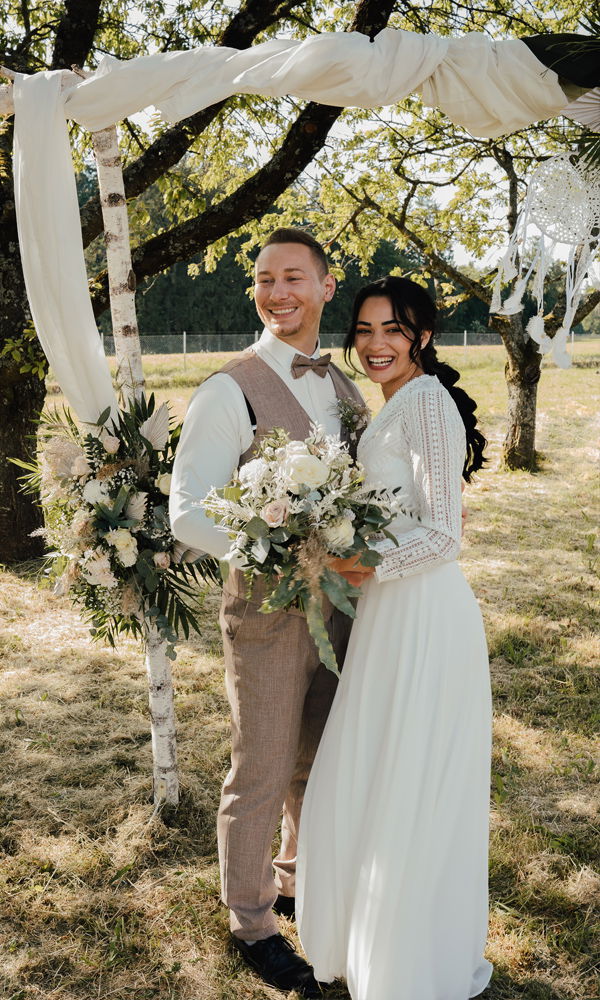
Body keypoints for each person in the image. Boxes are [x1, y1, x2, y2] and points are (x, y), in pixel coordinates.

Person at [169, 228, 369, 997]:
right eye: (263, 279)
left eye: (293, 278)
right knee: (261, 766)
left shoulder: (346, 387)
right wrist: (278, 555)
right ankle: (251, 923)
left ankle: (292, 880)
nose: (277, 292)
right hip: (265, 610)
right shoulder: (231, 387)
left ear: (326, 286)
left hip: (345, 607)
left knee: (320, 758)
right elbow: (188, 514)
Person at [296, 275, 492, 1000]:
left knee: (407, 778)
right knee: (376, 771)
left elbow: (444, 535)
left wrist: (359, 564)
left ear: (424, 337)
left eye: (395, 330)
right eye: (368, 329)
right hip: (385, 617)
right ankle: (368, 937)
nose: (378, 344)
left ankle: (410, 958)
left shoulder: (430, 404)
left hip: (423, 617)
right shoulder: (392, 404)